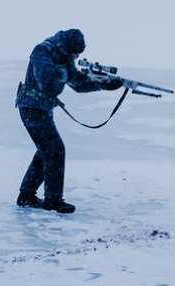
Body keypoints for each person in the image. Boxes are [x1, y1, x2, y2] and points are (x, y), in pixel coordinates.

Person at [14, 28, 121, 214]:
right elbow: (47, 79)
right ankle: (53, 200)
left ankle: (26, 196)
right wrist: (68, 72)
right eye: (74, 53)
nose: (76, 56)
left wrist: (103, 84)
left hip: (42, 108)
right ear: (66, 46)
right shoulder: (42, 51)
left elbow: (78, 84)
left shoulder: (64, 57)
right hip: (31, 107)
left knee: (46, 151)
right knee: (54, 150)